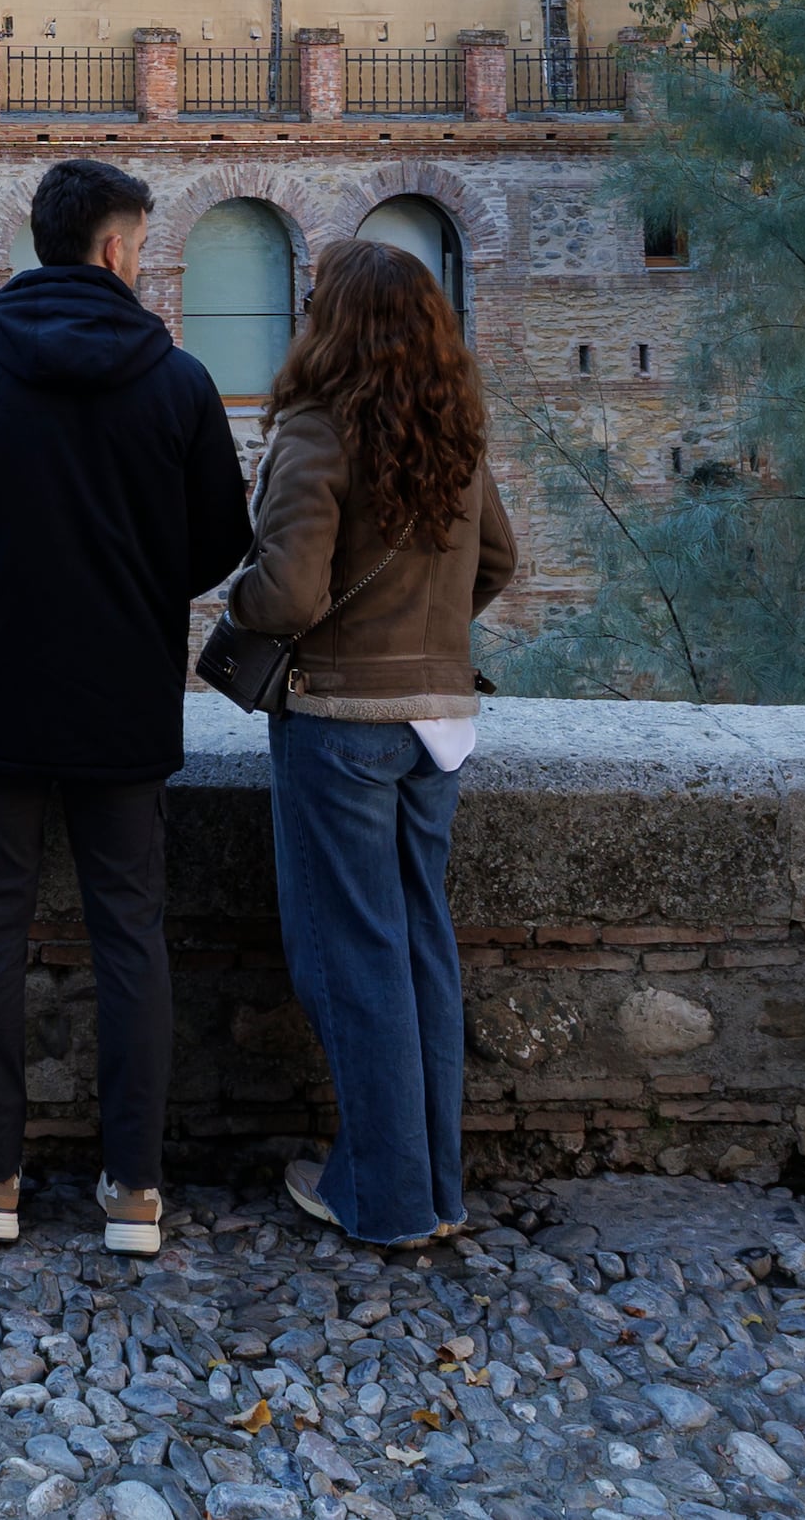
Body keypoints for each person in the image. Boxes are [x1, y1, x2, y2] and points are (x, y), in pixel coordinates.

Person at [0, 158, 250, 1259]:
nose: (142, 259)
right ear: (109, 249)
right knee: (128, 928)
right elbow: (219, 540)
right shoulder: (176, 382)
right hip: (119, 691)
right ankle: (132, 1186)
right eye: (139, 240)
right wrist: (138, 591)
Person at [221, 240, 520, 1249]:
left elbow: (289, 592)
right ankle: (436, 1189)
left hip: (340, 725)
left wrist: (241, 599)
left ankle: (381, 1199)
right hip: (437, 725)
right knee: (418, 948)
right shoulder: (457, 431)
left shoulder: (317, 429)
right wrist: (428, 641)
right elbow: (497, 559)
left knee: (350, 959)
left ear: (331, 323)